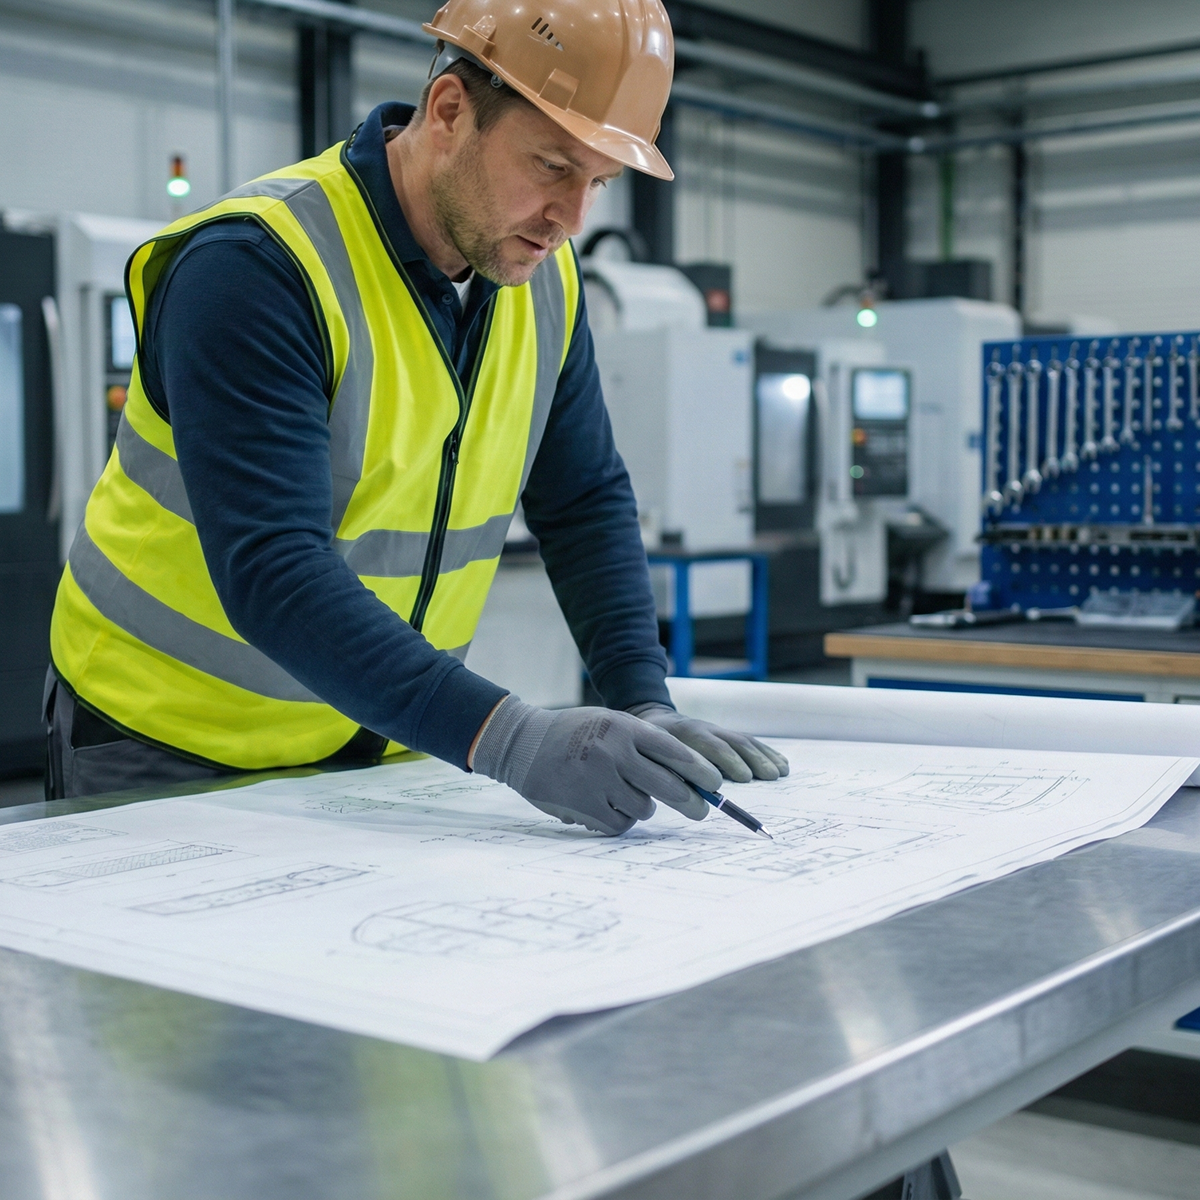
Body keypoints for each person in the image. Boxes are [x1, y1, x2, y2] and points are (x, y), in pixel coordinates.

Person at [44, 0, 789, 832]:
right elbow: (273, 568)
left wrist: (642, 698)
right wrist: (510, 739)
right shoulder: (255, 266)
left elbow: (583, 501)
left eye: (599, 184)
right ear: (448, 112)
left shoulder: (544, 281)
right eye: (551, 166)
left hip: (378, 741)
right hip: (168, 737)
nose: (571, 220)